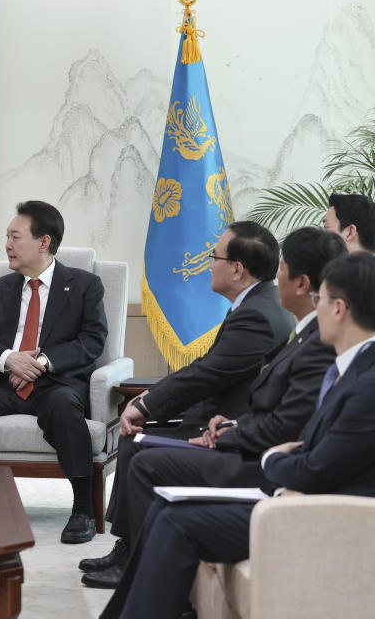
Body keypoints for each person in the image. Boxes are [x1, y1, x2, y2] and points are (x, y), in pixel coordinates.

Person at [100, 251, 375, 619]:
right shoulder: (352, 367)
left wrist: (274, 457)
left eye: (320, 300)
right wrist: (286, 454)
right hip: (293, 492)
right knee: (166, 507)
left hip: (318, 513)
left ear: (339, 308)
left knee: (175, 519)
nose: (316, 309)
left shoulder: (367, 384)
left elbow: (314, 466)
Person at [85, 221, 294, 583]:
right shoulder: (255, 304)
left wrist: (147, 405)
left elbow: (209, 374)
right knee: (132, 439)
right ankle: (129, 548)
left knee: (136, 444)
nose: (208, 263)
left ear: (237, 269)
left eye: (214, 256)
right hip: (213, 415)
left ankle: (133, 558)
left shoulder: (258, 314)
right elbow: (207, 370)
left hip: (226, 429)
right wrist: (151, 399)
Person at [0, 200, 109, 543]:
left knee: (62, 406)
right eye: (7, 237)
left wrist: (41, 363)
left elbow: (92, 342)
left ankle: (83, 509)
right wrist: (9, 359)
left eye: (16, 237)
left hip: (55, 384)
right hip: (5, 385)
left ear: (44, 242)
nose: (8, 245)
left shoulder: (85, 285)